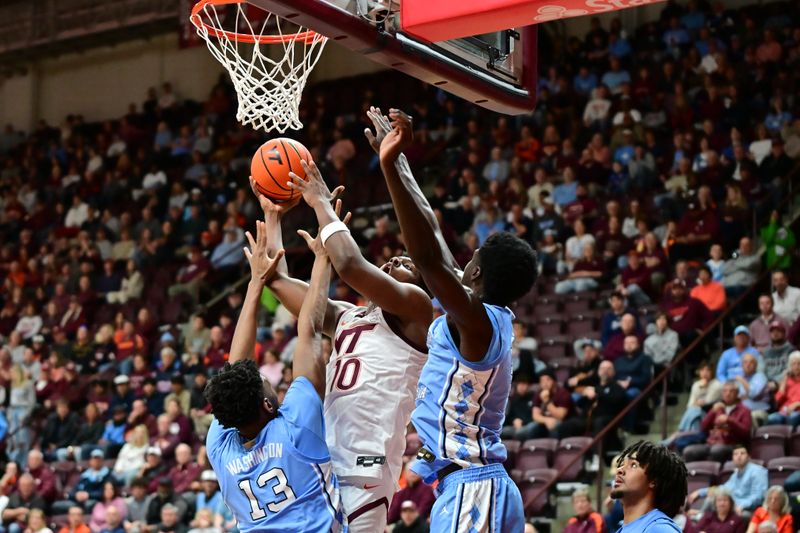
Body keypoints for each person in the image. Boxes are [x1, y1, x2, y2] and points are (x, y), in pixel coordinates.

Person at [378, 108, 536, 531]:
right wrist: (401, 160)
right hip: (470, 484)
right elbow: (431, 226)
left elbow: (430, 259)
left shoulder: (478, 322)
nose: (462, 261)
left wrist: (388, 167)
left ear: (478, 273)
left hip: (473, 485)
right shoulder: (481, 317)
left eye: (471, 258)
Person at [281, 120, 432, 530]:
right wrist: (274, 220)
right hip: (325, 455)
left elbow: (350, 263)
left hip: (368, 457)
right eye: (393, 258)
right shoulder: (350, 315)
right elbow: (283, 287)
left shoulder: (419, 310)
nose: (393, 261)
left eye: (406, 263)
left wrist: (320, 203)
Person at [203, 220, 346, 531]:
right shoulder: (296, 426)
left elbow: (235, 370)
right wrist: (322, 259)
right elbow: (309, 330)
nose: (270, 381)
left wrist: (256, 282)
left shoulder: (220, 445)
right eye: (266, 384)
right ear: (268, 405)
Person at [610, 441, 687, 532]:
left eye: (633, 465)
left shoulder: (660, 529)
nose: (619, 470)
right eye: (622, 464)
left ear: (654, 481)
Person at [689, 445, 768, 516]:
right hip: (735, 506)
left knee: (734, 512)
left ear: (748, 457)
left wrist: (742, 505)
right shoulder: (736, 474)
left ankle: (700, 517)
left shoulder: (757, 471)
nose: (739, 456)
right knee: (711, 499)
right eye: (736, 454)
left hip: (750, 510)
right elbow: (724, 489)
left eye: (742, 453)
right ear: (733, 458)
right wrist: (700, 492)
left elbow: (758, 496)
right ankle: (700, 516)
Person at [686, 382, 752, 462]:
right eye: (725, 391)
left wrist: (729, 420)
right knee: (688, 451)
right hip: (711, 443)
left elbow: (746, 433)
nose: (728, 394)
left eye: (731, 391)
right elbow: (703, 428)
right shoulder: (718, 408)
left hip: (732, 444)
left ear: (737, 393)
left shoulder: (744, 410)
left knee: (717, 450)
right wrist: (712, 411)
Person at [676, 362, 722, 432]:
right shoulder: (696, 385)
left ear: (712, 372)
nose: (705, 373)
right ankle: (689, 433)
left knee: (695, 411)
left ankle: (682, 431)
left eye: (707, 370)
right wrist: (696, 403)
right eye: (702, 370)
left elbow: (707, 402)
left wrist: (703, 388)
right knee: (694, 411)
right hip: (696, 413)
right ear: (699, 372)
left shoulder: (717, 385)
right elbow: (689, 405)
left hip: (710, 413)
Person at [767, 351, 800, 426]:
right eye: (793, 364)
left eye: (799, 364)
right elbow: (778, 400)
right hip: (785, 411)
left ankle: (791, 437)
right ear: (790, 366)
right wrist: (784, 382)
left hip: (798, 411)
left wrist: (797, 404)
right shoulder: (787, 380)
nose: (796, 367)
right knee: (771, 418)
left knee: (793, 417)